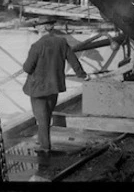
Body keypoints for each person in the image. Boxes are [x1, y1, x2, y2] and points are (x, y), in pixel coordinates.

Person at [23, 18, 88, 153]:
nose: (36, 28)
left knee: (42, 119)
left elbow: (28, 68)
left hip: (38, 89)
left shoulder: (36, 46)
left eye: (37, 26)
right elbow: (73, 60)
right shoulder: (62, 42)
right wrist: (83, 75)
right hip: (54, 87)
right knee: (47, 115)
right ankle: (42, 140)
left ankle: (44, 147)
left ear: (42, 28)